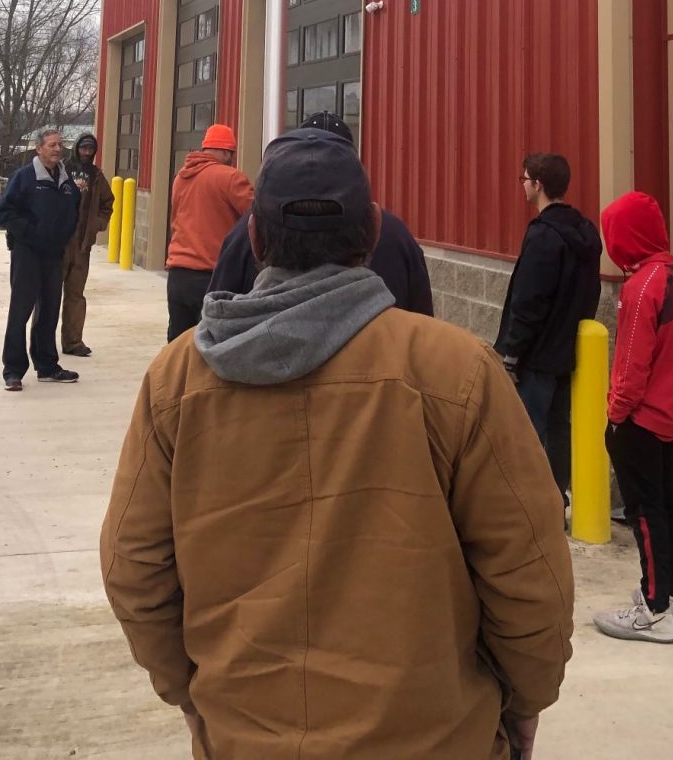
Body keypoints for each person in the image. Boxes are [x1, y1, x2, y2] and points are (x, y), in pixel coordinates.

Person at [102, 127, 574, 759]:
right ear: (372, 232)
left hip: (245, 734)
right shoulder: (456, 371)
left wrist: (189, 690)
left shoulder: (177, 379)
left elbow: (132, 565)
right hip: (433, 737)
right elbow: (528, 570)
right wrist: (525, 697)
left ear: (255, 238)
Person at [593, 191, 673, 645]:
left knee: (644, 511)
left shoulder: (641, 287)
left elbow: (632, 362)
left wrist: (616, 414)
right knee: (670, 502)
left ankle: (654, 610)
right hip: (671, 414)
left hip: (639, 417)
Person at [208, 112, 434, 315]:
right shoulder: (397, 235)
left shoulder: (246, 231)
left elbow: (216, 312)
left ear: (255, 236)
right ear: (375, 229)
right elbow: (422, 316)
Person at [494, 152, 602, 497]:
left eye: (524, 179)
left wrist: (512, 355)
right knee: (559, 432)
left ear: (538, 185)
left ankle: (526, 504)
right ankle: (557, 500)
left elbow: (528, 301)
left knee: (525, 436)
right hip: (565, 356)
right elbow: (591, 292)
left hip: (536, 359)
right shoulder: (586, 232)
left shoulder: (542, 236)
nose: (523, 186)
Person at [0, 125, 81, 389]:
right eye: (52, 145)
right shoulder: (24, 178)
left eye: (60, 145)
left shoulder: (66, 182)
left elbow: (74, 211)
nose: (57, 149)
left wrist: (63, 237)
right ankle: (13, 370)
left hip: (54, 255)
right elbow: (4, 213)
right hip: (27, 254)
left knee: (49, 311)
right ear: (38, 149)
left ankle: (47, 366)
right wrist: (30, 233)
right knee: (20, 311)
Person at [164, 122, 252, 342]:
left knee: (179, 345)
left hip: (178, 275)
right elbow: (257, 218)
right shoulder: (231, 178)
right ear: (226, 151)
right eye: (231, 153)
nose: (232, 158)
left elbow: (176, 219)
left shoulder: (181, 177)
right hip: (213, 276)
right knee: (213, 345)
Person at [60, 132, 115, 358]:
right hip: (58, 245)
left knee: (76, 295)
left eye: (90, 149)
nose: (86, 152)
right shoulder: (61, 170)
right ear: (76, 148)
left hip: (82, 246)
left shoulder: (96, 176)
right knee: (49, 296)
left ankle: (73, 342)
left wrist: (96, 225)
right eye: (83, 148)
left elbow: (107, 203)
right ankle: (42, 343)